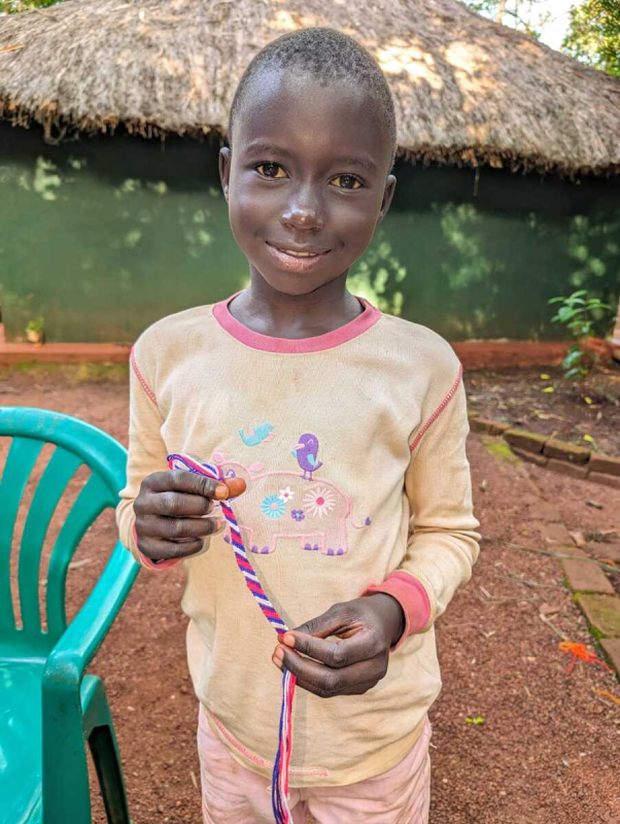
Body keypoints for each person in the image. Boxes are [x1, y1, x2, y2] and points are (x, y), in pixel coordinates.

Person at [116, 26, 480, 824]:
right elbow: (134, 506)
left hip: (373, 748)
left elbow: (452, 533)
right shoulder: (166, 354)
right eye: (271, 169)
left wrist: (391, 613)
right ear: (226, 172)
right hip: (235, 735)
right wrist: (147, 522)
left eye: (346, 179)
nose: (304, 211)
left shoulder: (421, 369)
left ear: (383, 197)